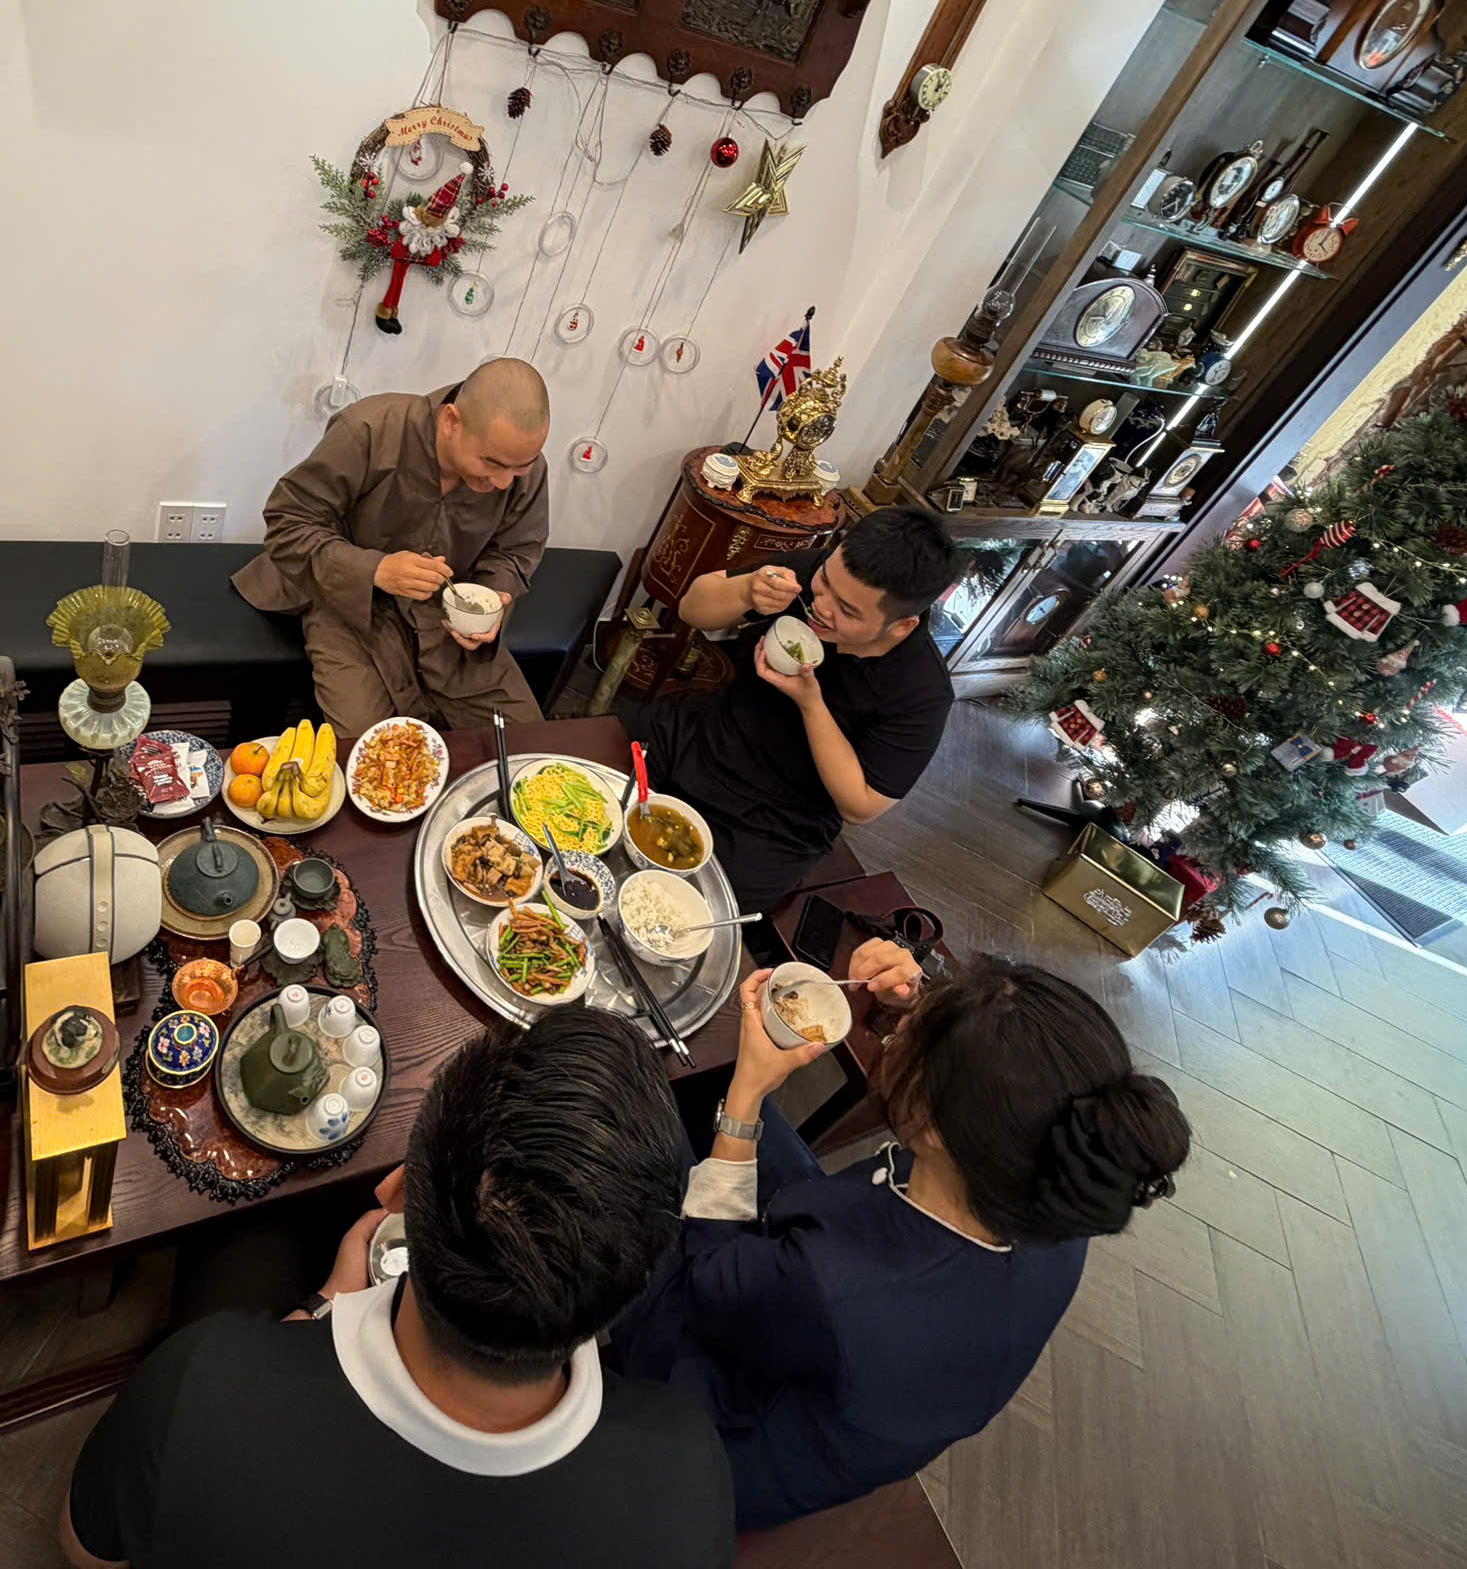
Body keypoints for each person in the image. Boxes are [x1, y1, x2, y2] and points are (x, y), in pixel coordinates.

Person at [64, 1006, 735, 1569]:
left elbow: (86, 1549)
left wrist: (319, 1312)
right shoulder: (688, 1477)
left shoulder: (205, 1381)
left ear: (395, 1193)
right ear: (639, 1277)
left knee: (244, 1238)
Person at [607, 952, 1192, 1530]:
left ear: (939, 1129)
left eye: (913, 1042)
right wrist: (936, 1009)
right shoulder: (1055, 1177)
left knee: (632, 1104)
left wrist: (744, 1101)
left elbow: (711, 1273)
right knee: (696, 1087)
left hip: (708, 1426)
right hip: (826, 1318)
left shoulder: (836, 1289)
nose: (901, 1033)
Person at [623, 506, 963, 914]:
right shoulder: (815, 577)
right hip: (702, 733)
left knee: (691, 910)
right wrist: (749, 589)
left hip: (777, 819)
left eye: (849, 611)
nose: (822, 607)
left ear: (903, 625)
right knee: (586, 792)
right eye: (825, 584)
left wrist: (811, 703)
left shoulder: (920, 690)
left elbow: (862, 804)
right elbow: (691, 609)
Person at [233, 359, 550, 739]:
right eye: (490, 463)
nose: (502, 482)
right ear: (451, 421)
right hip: (345, 601)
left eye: (520, 468)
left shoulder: (519, 467)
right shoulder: (369, 429)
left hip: (447, 611)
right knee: (372, 750)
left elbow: (515, 550)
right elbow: (289, 523)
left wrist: (492, 597)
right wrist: (376, 570)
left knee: (529, 746)